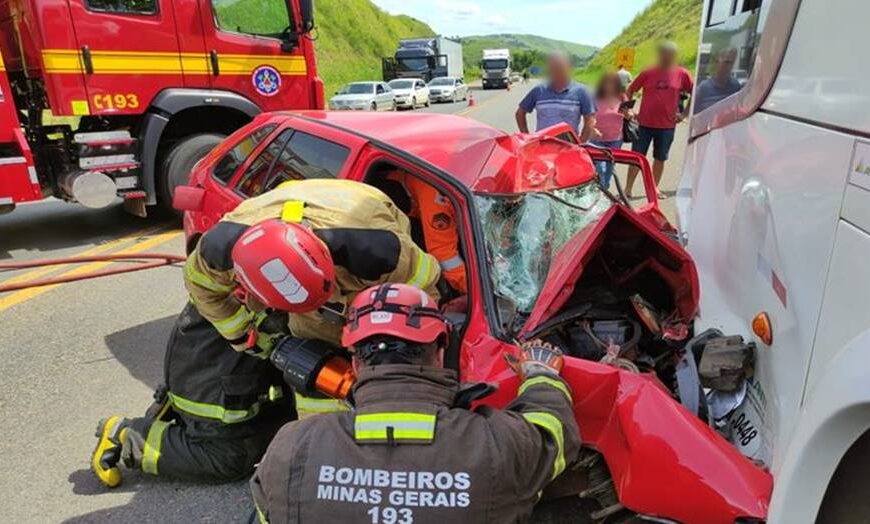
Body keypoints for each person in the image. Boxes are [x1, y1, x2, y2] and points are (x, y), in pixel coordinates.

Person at [90, 179, 441, 488]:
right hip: (216, 349)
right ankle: (127, 434)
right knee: (235, 448)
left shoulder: (379, 253)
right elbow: (203, 291)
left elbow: (424, 303)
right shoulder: (218, 251)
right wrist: (243, 334)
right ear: (241, 281)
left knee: (323, 373)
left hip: (354, 219)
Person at [250, 283, 581, 523]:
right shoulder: (498, 445)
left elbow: (269, 512)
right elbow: (553, 435)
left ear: (355, 365)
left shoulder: (291, 447)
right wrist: (541, 374)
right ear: (439, 353)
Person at [624, 41, 694, 198]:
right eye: (664, 54)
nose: (667, 58)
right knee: (636, 157)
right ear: (660, 55)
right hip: (643, 124)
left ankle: (653, 189)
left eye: (670, 55)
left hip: (667, 126)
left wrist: (684, 114)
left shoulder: (682, 74)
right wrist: (629, 110)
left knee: (660, 158)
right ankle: (628, 188)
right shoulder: (647, 72)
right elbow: (630, 90)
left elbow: (695, 91)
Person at [383, 169, 467, 294]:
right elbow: (444, 255)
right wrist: (473, 290)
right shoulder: (438, 200)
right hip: (400, 211)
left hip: (416, 203)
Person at [516, 51, 597, 142]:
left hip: (569, 147)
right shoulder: (539, 90)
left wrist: (581, 143)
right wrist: (527, 138)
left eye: (559, 67)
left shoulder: (581, 92)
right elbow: (520, 113)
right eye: (553, 68)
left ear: (568, 68)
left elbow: (590, 120)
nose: (556, 72)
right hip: (542, 146)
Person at [590, 72, 630, 187]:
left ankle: (605, 186)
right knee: (599, 167)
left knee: (610, 166)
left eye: (612, 83)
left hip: (616, 138)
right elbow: (588, 114)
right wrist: (592, 127)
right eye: (607, 83)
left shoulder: (622, 97)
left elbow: (629, 114)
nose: (609, 86)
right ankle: (601, 186)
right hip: (596, 138)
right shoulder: (594, 97)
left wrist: (629, 114)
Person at [695, 48, 741, 113]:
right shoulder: (703, 88)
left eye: (731, 63)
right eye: (726, 62)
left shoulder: (735, 86)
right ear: (716, 63)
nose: (729, 66)